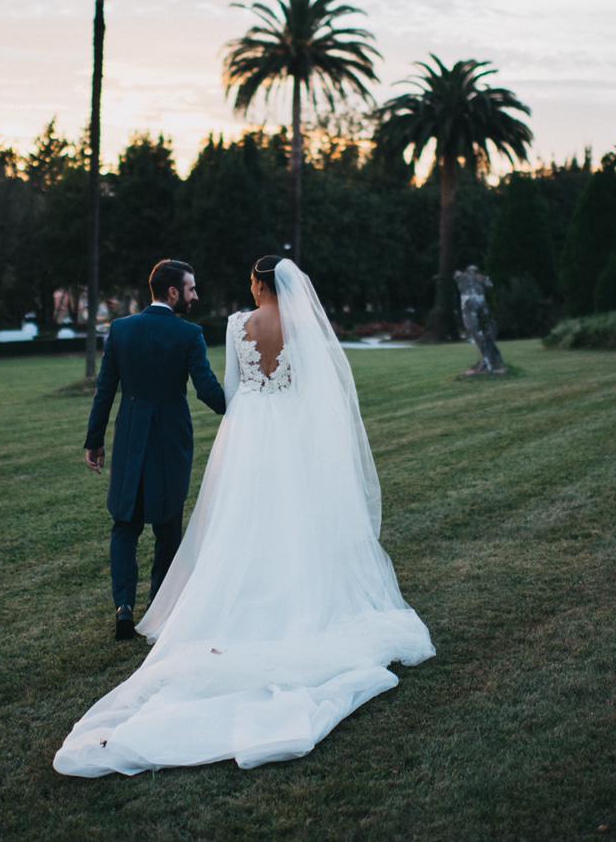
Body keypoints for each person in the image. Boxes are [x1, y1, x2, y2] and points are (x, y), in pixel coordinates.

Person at [57, 255, 434, 776]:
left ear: (259, 284)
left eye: (251, 284)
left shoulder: (234, 325)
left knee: (230, 522)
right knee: (292, 520)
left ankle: (173, 602)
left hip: (248, 431)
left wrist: (244, 415)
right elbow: (309, 391)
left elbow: (232, 388)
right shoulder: (295, 326)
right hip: (283, 430)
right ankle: (288, 594)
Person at [83, 259, 227, 640]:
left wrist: (93, 441)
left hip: (130, 435)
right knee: (167, 527)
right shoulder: (189, 335)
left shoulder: (121, 329)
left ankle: (124, 610)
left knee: (124, 525)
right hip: (170, 439)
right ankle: (160, 612)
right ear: (174, 291)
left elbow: (105, 390)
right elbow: (207, 389)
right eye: (192, 289)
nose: (196, 296)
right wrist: (246, 407)